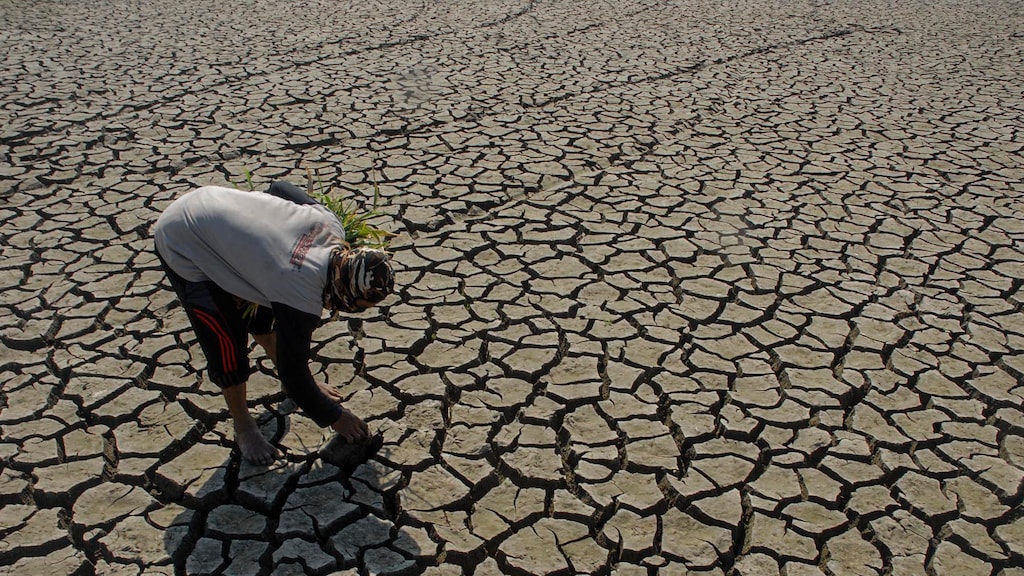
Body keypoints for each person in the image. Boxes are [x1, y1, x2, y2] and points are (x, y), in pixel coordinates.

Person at [153, 180, 394, 465]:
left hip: (211, 200)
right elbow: (295, 374)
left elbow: (279, 187)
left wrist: (261, 222)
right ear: (340, 294)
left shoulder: (330, 224)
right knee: (226, 343)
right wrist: (335, 416)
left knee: (262, 312)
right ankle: (243, 425)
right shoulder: (299, 290)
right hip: (183, 239)